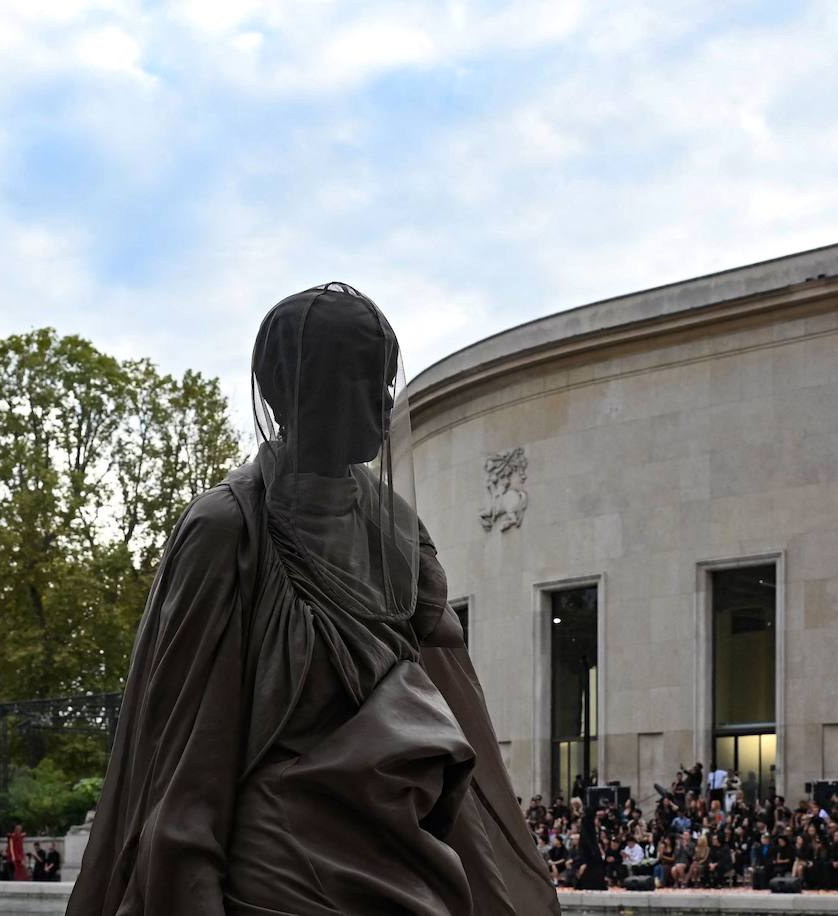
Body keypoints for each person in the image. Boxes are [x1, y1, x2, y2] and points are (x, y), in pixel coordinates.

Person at [66, 284, 559, 916]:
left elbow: (454, 705)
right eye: (358, 376)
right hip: (279, 878)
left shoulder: (398, 532)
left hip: (406, 856)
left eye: (384, 378)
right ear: (289, 390)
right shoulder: (228, 529)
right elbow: (189, 761)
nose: (382, 401)